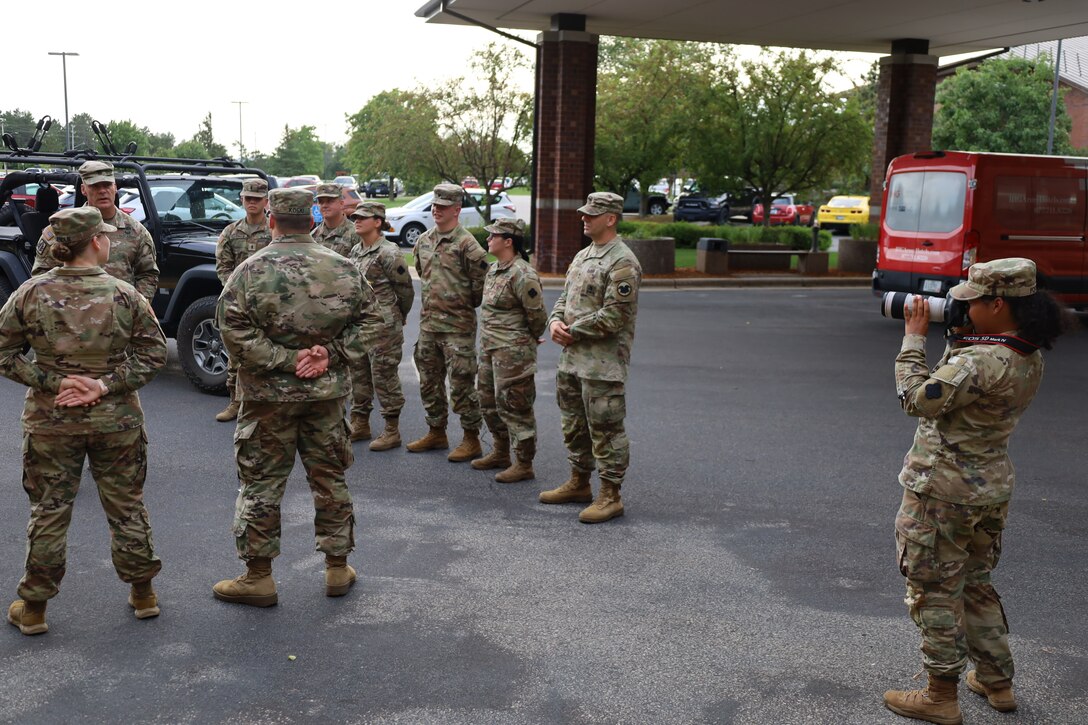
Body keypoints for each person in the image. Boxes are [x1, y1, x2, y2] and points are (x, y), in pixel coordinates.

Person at [883, 258, 1069, 724]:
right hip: (988, 489)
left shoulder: (978, 361)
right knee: (975, 583)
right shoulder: (1025, 352)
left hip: (942, 491)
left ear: (998, 303)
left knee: (933, 590)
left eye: (972, 301)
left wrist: (912, 339)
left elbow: (915, 400)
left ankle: (939, 695)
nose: (961, 307)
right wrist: (959, 341)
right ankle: (996, 680)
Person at [0, 207, 168, 635]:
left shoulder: (31, 292)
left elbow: (4, 352)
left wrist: (51, 381)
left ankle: (34, 607)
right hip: (117, 421)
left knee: (50, 510)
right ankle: (143, 593)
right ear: (95, 242)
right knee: (126, 506)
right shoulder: (125, 294)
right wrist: (105, 385)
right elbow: (153, 356)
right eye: (105, 236)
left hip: (52, 420)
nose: (109, 240)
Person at [212, 188, 371, 607]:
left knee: (261, 483)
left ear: (272, 218)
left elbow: (232, 331)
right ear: (312, 218)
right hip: (327, 395)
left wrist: (285, 359)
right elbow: (374, 322)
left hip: (268, 398)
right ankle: (337, 567)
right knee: (329, 478)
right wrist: (326, 354)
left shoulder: (249, 270)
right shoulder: (344, 267)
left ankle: (259, 577)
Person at [540, 192, 641, 524]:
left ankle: (610, 495)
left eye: (591, 214)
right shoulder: (583, 255)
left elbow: (615, 316)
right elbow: (565, 297)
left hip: (602, 364)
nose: (584, 218)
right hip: (572, 360)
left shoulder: (622, 261)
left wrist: (571, 329)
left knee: (606, 428)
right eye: (583, 213)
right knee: (574, 425)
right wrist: (554, 322)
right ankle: (579, 482)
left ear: (610, 218)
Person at [407, 182, 489, 462]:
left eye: (443, 207)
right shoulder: (424, 241)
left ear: (457, 209)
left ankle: (471, 439)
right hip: (429, 326)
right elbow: (422, 272)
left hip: (458, 328)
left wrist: (459, 306)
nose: (436, 211)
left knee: (462, 383)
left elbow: (481, 287)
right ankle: (436, 431)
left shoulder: (468, 245)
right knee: (429, 382)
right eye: (434, 206)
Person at [471, 218, 547, 483]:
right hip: (489, 349)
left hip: (513, 353)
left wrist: (529, 338)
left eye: (493, 236)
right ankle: (501, 451)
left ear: (508, 241)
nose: (488, 239)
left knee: (515, 406)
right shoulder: (494, 270)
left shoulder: (522, 273)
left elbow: (537, 315)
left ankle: (524, 463)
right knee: (488, 402)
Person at [32, 160, 159, 302]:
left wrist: (136, 308)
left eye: (107, 185)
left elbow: (148, 274)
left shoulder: (136, 232)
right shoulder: (62, 229)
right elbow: (41, 276)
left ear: (115, 187)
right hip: (72, 314)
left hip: (118, 316)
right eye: (95, 186)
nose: (102, 191)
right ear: (83, 189)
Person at [346, 202, 414, 450]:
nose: (357, 220)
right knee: (359, 373)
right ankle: (360, 423)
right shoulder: (356, 250)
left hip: (384, 325)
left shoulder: (389, 252)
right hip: (359, 323)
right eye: (355, 217)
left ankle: (391, 429)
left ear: (378, 222)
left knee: (383, 375)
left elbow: (405, 290)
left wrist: (399, 315)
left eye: (363, 217)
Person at [213, 178, 272, 422]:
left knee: (267, 353)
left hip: (268, 303)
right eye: (248, 199)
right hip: (238, 303)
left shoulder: (273, 231)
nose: (252, 203)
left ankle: (265, 403)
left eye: (257, 199)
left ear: (266, 201)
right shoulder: (230, 232)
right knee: (235, 354)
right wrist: (237, 290)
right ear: (241, 199)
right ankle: (235, 402)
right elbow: (223, 266)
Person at [312, 183, 359, 256]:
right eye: (321, 202)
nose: (324, 205)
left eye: (330, 201)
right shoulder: (313, 236)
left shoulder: (356, 234)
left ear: (341, 204)